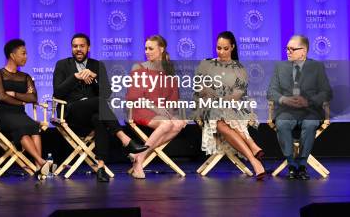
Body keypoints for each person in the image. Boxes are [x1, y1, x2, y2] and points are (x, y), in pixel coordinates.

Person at [52, 33, 147, 182]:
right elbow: (57, 92)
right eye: (75, 46)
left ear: (88, 48)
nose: (78, 49)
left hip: (91, 114)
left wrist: (95, 78)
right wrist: (75, 77)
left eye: (82, 46)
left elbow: (107, 93)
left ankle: (101, 167)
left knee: (99, 117)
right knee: (99, 103)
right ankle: (125, 139)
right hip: (70, 112)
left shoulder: (97, 65)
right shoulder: (62, 65)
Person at [194, 31, 266, 180]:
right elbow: (200, 91)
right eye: (218, 48)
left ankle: (253, 159)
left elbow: (237, 95)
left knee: (223, 120)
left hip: (231, 109)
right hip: (208, 108)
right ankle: (252, 151)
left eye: (225, 48)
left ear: (232, 47)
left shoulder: (239, 69)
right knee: (216, 115)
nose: (221, 52)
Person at [267, 35, 333, 180]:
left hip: (309, 111)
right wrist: (284, 99)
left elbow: (327, 92)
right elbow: (271, 91)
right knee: (282, 124)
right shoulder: (280, 67)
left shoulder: (316, 67)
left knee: (310, 125)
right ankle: (291, 164)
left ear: (303, 51)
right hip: (287, 111)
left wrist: (308, 102)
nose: (288, 52)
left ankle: (302, 165)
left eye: (292, 49)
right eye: (287, 49)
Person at [126, 35, 186, 179]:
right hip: (141, 108)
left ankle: (139, 156)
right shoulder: (139, 67)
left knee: (178, 124)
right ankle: (140, 160)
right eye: (146, 48)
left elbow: (173, 98)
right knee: (166, 124)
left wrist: (172, 114)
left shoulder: (168, 70)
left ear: (161, 49)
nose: (147, 51)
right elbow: (134, 97)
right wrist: (156, 108)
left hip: (161, 111)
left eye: (150, 48)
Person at [0, 39, 52, 178]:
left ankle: (39, 167)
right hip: (2, 113)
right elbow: (1, 97)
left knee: (34, 127)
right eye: (23, 53)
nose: (26, 57)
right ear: (12, 55)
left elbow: (33, 98)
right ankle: (42, 162)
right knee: (22, 129)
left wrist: (15, 94)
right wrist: (20, 102)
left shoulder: (25, 77)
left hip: (20, 114)